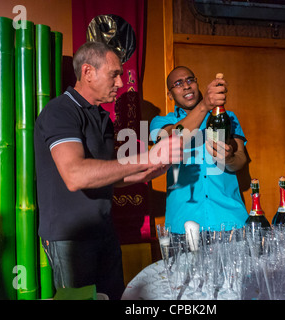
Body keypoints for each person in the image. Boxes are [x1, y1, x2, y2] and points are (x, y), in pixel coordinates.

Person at [34, 42, 182, 299]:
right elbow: (76, 175)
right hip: (71, 238)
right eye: (114, 74)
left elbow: (110, 173)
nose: (121, 83)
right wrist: (147, 156)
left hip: (104, 231)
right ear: (88, 72)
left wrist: (155, 166)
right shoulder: (60, 111)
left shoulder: (102, 117)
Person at [150, 66, 249, 234]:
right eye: (178, 83)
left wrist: (228, 158)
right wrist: (205, 105)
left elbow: (240, 160)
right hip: (184, 225)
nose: (186, 86)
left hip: (230, 221)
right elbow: (171, 141)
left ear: (197, 84)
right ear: (170, 94)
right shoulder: (161, 122)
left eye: (190, 80)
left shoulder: (226, 117)